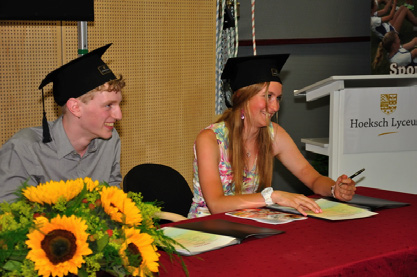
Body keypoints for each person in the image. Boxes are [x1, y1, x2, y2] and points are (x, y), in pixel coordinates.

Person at [188, 54, 356, 218]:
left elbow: (313, 178)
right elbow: (216, 205)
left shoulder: (273, 134)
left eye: (278, 98)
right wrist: (272, 197)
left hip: (246, 225)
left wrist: (335, 189)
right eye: (268, 97)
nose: (275, 107)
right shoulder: (210, 139)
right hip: (206, 232)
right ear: (242, 98)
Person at [0, 43, 125, 202]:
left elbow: (113, 200)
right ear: (75, 107)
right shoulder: (24, 148)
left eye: (118, 105)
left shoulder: (110, 140)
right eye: (109, 105)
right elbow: (9, 217)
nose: (119, 115)